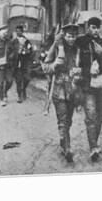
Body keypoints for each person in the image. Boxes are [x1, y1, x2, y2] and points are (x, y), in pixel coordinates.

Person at [76, 13, 102, 162]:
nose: (95, 31)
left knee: (100, 117)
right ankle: (93, 146)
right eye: (93, 27)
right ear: (88, 27)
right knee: (91, 116)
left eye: (97, 28)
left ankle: (95, 142)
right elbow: (75, 62)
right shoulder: (81, 42)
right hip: (87, 86)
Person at [41, 23, 82, 163]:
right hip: (58, 88)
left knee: (69, 120)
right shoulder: (57, 47)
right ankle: (67, 147)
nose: (71, 39)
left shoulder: (77, 49)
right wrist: (55, 65)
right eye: (69, 36)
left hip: (72, 88)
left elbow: (82, 66)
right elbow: (45, 66)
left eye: (74, 36)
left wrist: (79, 72)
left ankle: (63, 140)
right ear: (64, 35)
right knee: (63, 120)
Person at [0, 24, 16, 106]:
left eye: (6, 33)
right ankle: (1, 99)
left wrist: (12, 55)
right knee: (0, 83)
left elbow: (13, 50)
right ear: (0, 33)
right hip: (0, 66)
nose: (5, 34)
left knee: (10, 81)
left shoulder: (9, 41)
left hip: (8, 65)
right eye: (4, 33)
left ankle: (5, 91)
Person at [12, 25, 33, 103]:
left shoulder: (26, 41)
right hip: (16, 63)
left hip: (25, 62)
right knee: (18, 80)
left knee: (27, 78)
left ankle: (23, 89)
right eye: (17, 31)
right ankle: (19, 96)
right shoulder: (13, 41)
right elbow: (10, 51)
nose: (18, 33)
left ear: (22, 32)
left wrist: (25, 51)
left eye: (19, 31)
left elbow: (30, 50)